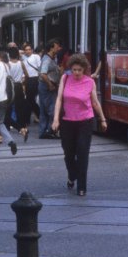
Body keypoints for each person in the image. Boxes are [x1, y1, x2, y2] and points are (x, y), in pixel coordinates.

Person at [51, 53, 107, 196]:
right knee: (69, 154)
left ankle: (81, 186)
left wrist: (102, 119)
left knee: (82, 154)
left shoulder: (90, 82)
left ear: (84, 70)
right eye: (74, 69)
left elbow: (94, 102)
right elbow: (59, 99)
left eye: (79, 70)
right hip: (67, 122)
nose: (76, 73)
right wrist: (56, 119)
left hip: (85, 122)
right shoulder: (65, 78)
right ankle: (72, 175)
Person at [38, 39, 62, 139]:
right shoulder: (47, 59)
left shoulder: (52, 58)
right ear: (51, 48)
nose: (58, 48)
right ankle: (50, 130)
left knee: (44, 109)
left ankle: (44, 131)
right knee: (51, 108)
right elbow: (43, 74)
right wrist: (50, 84)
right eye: (57, 47)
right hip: (47, 86)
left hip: (46, 86)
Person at [8, 45, 31, 142]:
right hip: (19, 86)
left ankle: (10, 125)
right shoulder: (21, 63)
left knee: (9, 108)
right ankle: (23, 126)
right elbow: (27, 75)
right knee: (20, 108)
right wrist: (23, 83)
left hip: (10, 86)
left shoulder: (8, 64)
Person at [22, 43, 41, 121]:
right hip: (28, 79)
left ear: (32, 50)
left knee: (30, 99)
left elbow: (40, 67)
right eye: (26, 50)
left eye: (29, 49)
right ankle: (33, 116)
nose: (28, 51)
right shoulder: (23, 59)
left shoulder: (36, 56)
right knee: (29, 100)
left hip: (35, 79)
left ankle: (37, 115)